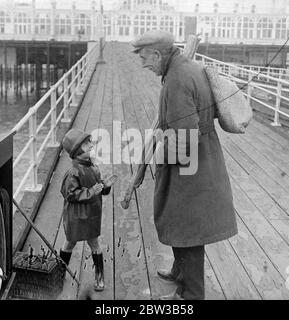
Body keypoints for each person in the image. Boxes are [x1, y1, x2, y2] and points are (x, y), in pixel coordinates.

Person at [131, 30, 238, 300]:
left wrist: (160, 159)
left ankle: (191, 294)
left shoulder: (177, 80)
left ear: (158, 54)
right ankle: (180, 271)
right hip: (205, 157)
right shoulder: (189, 67)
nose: (143, 65)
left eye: (145, 59)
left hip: (189, 168)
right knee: (183, 224)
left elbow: (184, 138)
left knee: (185, 227)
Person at [59, 128, 117, 291]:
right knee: (69, 243)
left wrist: (105, 186)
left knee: (94, 244)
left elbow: (99, 188)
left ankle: (99, 276)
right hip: (76, 216)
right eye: (86, 144)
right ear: (77, 151)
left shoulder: (94, 168)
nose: (91, 145)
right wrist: (93, 191)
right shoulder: (73, 172)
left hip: (92, 214)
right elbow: (69, 194)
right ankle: (60, 272)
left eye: (89, 142)